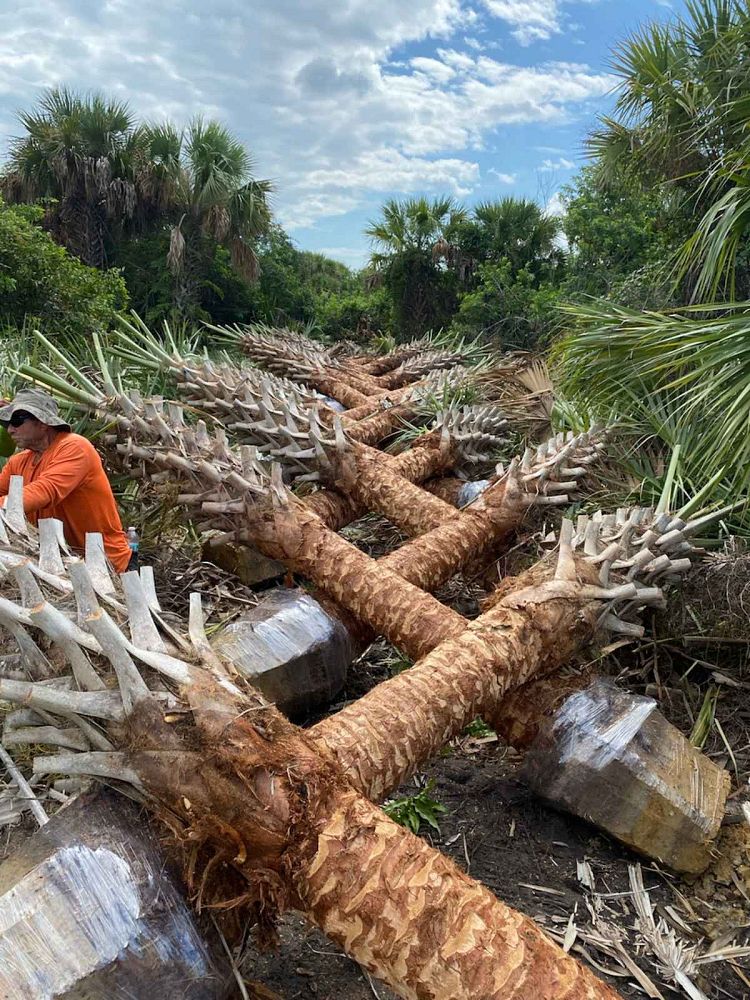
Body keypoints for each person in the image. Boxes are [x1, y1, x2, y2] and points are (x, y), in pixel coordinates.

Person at [0, 389, 132, 572]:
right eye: (7, 423)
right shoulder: (18, 462)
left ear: (42, 422)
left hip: (108, 566)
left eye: (16, 421)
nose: (10, 429)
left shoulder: (75, 447)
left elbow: (45, 491)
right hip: (63, 566)